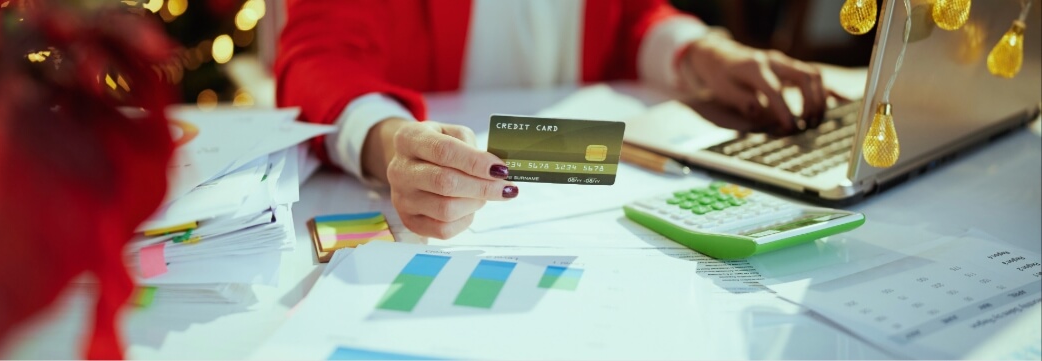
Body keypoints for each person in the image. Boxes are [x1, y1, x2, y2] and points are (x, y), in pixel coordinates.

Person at [275, 0, 829, 239]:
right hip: (425, 214)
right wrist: (392, 142)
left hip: (589, 210)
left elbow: (629, 18)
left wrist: (698, 50)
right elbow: (315, 59)